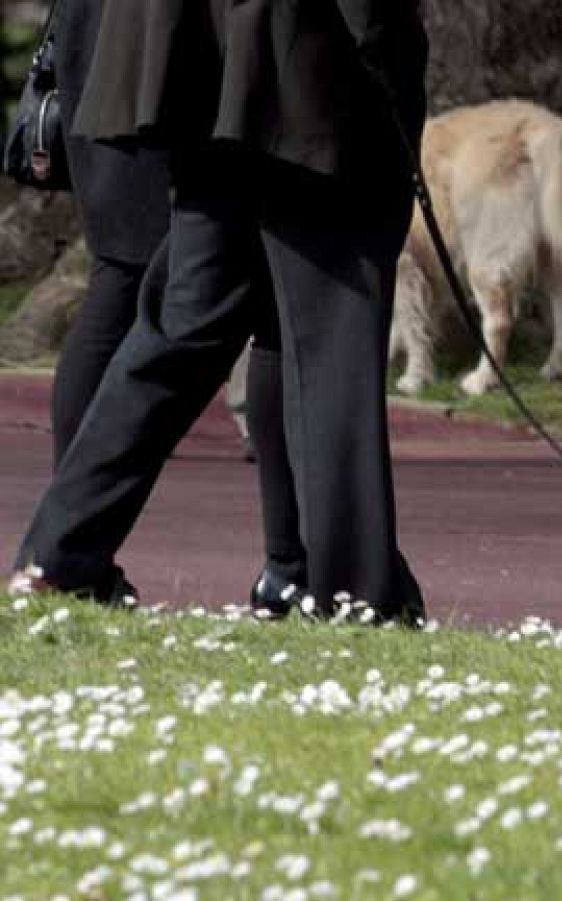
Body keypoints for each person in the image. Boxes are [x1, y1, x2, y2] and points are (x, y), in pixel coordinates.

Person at [9, 0, 427, 625]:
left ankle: (59, 553)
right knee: (329, 333)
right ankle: (353, 590)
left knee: (183, 326)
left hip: (200, 60)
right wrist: (386, 49)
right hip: (305, 71)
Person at [44, 0, 308, 616]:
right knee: (137, 289)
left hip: (154, 42)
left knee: (237, 301)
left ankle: (67, 552)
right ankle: (67, 551)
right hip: (153, 46)